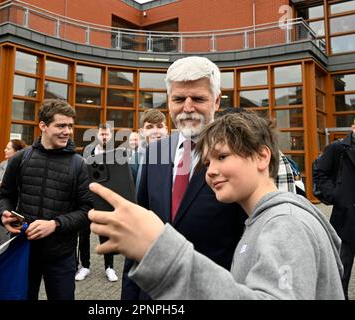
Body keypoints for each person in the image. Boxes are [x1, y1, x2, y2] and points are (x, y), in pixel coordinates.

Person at [89, 110, 345, 299]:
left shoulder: (286, 225)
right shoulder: (261, 221)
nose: (211, 171)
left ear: (261, 156)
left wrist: (160, 252)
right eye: (208, 162)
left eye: (222, 157)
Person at [121, 56, 247, 300]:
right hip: (152, 293)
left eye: (198, 99)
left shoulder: (238, 155)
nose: (187, 107)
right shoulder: (155, 151)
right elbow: (139, 228)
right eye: (179, 99)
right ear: (169, 102)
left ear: (217, 101)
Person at [0, 99, 92, 300]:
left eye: (70, 126)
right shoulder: (20, 158)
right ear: (43, 126)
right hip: (24, 252)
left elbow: (87, 212)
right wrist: (3, 214)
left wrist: (54, 225)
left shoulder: (79, 165)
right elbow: (6, 196)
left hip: (62, 256)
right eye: (61, 125)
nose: (67, 131)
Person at [312, 121, 355, 299]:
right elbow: (319, 172)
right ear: (353, 127)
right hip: (346, 219)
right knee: (341, 272)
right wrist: (335, 195)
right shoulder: (338, 149)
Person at [75, 123, 119, 282]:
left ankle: (109, 267)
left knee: (106, 234)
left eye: (107, 134)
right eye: (102, 134)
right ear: (98, 135)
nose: (105, 137)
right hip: (87, 197)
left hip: (106, 199)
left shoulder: (116, 153)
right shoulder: (88, 151)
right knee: (84, 233)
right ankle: (85, 266)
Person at [0, 139, 27, 252]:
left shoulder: (22, 166)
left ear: (17, 152)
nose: (5, 150)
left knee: (3, 244)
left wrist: (1, 185)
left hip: (9, 210)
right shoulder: (2, 164)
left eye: (8, 148)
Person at [129, 109, 168, 186]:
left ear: (166, 130)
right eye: (149, 127)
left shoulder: (177, 154)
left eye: (159, 126)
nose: (155, 131)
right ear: (142, 132)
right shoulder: (136, 159)